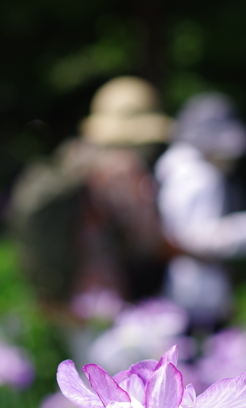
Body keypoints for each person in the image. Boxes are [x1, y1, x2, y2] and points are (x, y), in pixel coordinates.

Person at [9, 76, 172, 319]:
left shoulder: (74, 156)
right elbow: (144, 237)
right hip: (104, 293)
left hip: (66, 291)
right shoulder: (125, 168)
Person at [155, 93, 246, 327]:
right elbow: (199, 238)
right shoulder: (200, 175)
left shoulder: (171, 169)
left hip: (173, 290)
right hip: (196, 295)